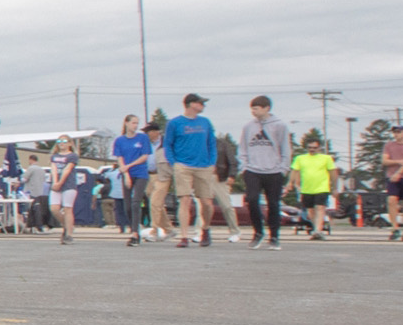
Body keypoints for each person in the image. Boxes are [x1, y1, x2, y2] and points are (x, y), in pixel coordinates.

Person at [163, 95, 223, 247]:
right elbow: (168, 144)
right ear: (191, 104)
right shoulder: (175, 123)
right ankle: (184, 236)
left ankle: (206, 228)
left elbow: (211, 143)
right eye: (200, 103)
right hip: (183, 165)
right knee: (184, 200)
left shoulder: (205, 122)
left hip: (203, 166)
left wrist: (212, 162)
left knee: (207, 203)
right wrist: (173, 162)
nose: (203, 105)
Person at [236, 96, 291, 249]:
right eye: (252, 108)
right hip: (253, 170)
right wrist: (244, 167)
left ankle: (274, 236)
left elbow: (285, 148)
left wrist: (283, 168)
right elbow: (243, 148)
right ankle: (258, 232)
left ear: (266, 108)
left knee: (273, 204)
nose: (253, 111)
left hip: (274, 171)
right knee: (252, 200)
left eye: (256, 108)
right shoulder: (248, 127)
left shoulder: (279, 126)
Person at [291, 131, 337, 240]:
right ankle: (316, 229)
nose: (312, 149)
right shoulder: (300, 158)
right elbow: (294, 171)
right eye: (309, 147)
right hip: (306, 189)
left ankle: (317, 230)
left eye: (314, 147)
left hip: (322, 187)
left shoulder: (326, 158)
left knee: (320, 208)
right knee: (310, 210)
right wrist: (291, 183)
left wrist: (334, 187)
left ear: (319, 148)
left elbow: (333, 173)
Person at [110, 115, 150, 239]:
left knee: (136, 202)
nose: (135, 125)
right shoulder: (120, 140)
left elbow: (145, 156)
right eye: (133, 123)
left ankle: (135, 232)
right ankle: (134, 226)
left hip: (140, 173)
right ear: (126, 123)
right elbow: (119, 158)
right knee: (127, 206)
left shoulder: (142, 138)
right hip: (127, 174)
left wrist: (130, 165)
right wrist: (126, 173)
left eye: (137, 123)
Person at [51, 146, 81, 242]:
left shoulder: (73, 156)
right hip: (56, 186)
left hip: (68, 185)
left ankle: (69, 234)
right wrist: (55, 183)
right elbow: (54, 169)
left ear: (69, 143)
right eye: (60, 141)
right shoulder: (54, 156)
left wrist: (60, 183)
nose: (62, 143)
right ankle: (67, 225)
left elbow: (67, 170)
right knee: (54, 208)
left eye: (64, 141)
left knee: (67, 208)